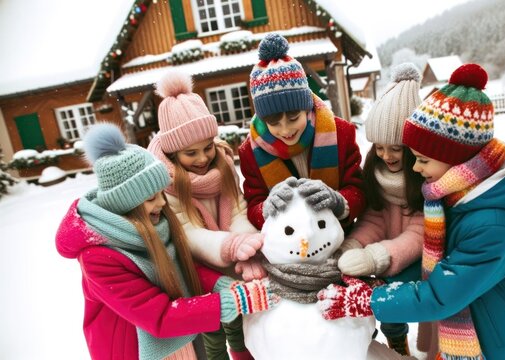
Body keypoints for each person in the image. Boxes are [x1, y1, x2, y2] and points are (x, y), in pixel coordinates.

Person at [318, 64, 505, 360]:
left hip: (499, 341)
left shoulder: (493, 224)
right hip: (469, 325)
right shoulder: (452, 195)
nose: (415, 168)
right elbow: (437, 265)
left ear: (454, 158)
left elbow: (441, 294)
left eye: (423, 160)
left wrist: (370, 299)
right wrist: (380, 282)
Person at [55, 123, 277, 360]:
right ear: (125, 204)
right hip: (136, 351)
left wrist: (220, 285)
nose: (162, 203)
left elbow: (180, 267)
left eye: (161, 194)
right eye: (152, 198)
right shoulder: (98, 258)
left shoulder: (156, 224)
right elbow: (159, 315)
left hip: (183, 341)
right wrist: (233, 301)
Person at [147, 71, 263, 360]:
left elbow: (237, 209)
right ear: (173, 154)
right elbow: (187, 234)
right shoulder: (167, 185)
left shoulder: (222, 166)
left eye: (207, 147)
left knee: (239, 325)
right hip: (199, 274)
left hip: (234, 264)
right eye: (191, 153)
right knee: (213, 332)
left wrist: (247, 245)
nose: (202, 159)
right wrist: (231, 246)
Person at [335, 63, 426, 356]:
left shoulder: (424, 180)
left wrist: (376, 257)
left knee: (390, 296)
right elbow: (374, 216)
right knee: (364, 289)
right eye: (380, 147)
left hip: (415, 260)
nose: (386, 155)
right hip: (385, 255)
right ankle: (376, 340)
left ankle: (397, 341)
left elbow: (418, 233)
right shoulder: (376, 172)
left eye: (395, 148)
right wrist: (353, 244)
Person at [238, 33, 366, 233]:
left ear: (306, 108)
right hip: (287, 246)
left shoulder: (341, 134)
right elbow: (253, 205)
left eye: (293, 118)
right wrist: (266, 209)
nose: (286, 130)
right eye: (274, 122)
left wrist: (339, 202)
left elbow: (359, 190)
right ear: (263, 119)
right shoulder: (249, 152)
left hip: (338, 235)